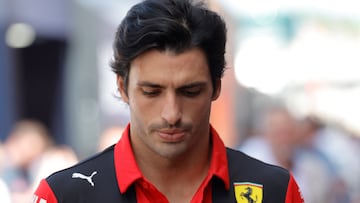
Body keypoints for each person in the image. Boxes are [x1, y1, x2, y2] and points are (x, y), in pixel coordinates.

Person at [33, 0, 304, 202]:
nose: (171, 113)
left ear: (216, 88)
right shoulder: (64, 196)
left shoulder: (274, 191)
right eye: (152, 92)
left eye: (190, 91)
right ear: (122, 87)